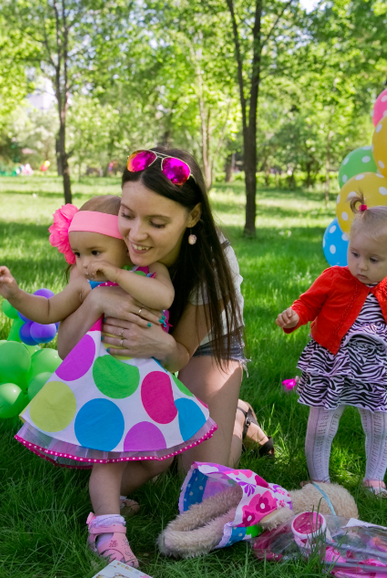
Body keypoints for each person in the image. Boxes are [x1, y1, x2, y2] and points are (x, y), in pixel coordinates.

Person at [0, 194, 215, 569]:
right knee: (111, 458)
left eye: (96, 251)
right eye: (78, 254)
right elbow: (48, 310)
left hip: (146, 383)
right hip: (105, 386)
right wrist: (14, 292)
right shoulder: (83, 281)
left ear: (127, 244)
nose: (85, 263)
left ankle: (108, 498)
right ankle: (108, 531)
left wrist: (117, 277)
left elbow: (165, 296)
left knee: (158, 459)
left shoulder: (150, 271)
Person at [55, 147, 253, 547]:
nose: (136, 235)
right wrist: (95, 300)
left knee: (198, 475)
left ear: (192, 217)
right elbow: (66, 350)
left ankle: (237, 417)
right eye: (128, 215)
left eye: (158, 222)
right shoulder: (103, 240)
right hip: (141, 345)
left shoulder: (215, 263)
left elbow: (180, 352)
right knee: (109, 459)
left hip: (201, 346)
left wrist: (159, 344)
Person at [276, 195, 387, 498]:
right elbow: (308, 304)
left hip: (378, 368)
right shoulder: (334, 278)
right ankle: (320, 480)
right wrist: (294, 316)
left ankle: (374, 481)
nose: (361, 266)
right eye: (355, 254)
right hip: (333, 363)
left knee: (380, 424)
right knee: (322, 425)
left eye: (373, 260)